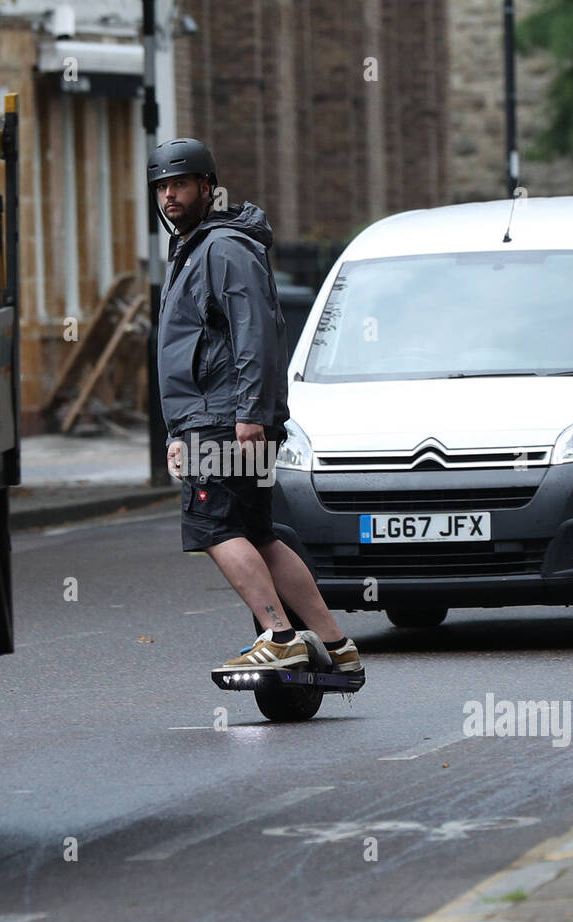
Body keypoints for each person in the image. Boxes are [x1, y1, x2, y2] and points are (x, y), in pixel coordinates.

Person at [148, 137, 363, 674]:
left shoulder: (223, 248)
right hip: (211, 418)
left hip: (224, 421)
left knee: (213, 528)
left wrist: (250, 413)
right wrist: (177, 429)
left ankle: (280, 635)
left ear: (207, 187)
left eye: (180, 184)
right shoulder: (198, 247)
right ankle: (336, 646)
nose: (170, 196)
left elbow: (256, 335)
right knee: (260, 534)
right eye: (162, 187)